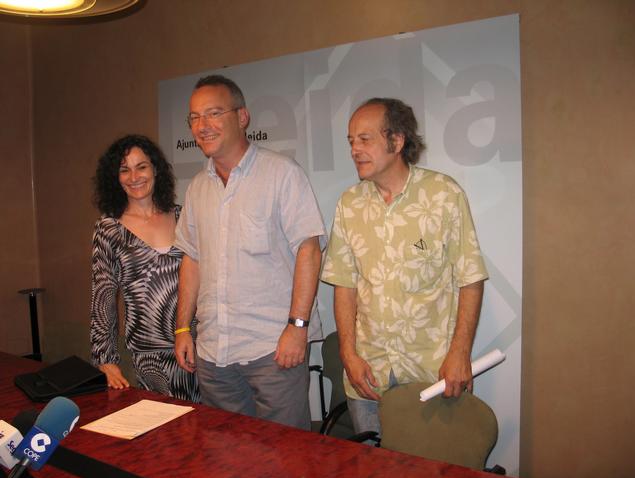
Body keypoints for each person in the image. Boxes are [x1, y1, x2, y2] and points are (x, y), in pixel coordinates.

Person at [320, 98, 488, 435]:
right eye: (351, 141)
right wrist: (348, 356)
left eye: (364, 139)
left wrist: (460, 353)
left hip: (432, 374)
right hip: (368, 376)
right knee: (372, 461)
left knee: (431, 461)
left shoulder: (443, 195)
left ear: (397, 141)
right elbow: (344, 285)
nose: (354, 150)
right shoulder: (350, 204)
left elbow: (470, 279)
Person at [173, 75, 326, 429]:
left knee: (285, 453)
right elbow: (192, 259)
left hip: (273, 351)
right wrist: (182, 329)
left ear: (242, 117)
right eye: (194, 117)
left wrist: (297, 327)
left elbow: (309, 250)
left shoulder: (281, 173)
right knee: (226, 452)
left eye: (213, 113)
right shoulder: (197, 188)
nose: (202, 125)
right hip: (214, 355)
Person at [91, 134, 199, 402]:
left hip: (198, 345)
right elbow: (103, 296)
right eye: (124, 170)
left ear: (156, 169)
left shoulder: (184, 216)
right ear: (115, 177)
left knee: (211, 423)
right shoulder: (108, 229)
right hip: (151, 356)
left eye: (141, 167)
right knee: (169, 425)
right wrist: (105, 358)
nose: (134, 177)